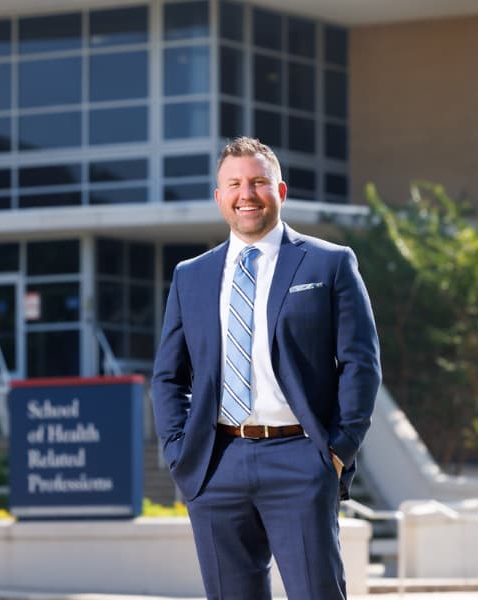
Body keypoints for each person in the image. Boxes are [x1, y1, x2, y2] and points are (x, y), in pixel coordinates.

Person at [151, 137, 381, 600]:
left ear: (281, 190)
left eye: (258, 182)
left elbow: (361, 363)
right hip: (215, 464)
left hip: (300, 456)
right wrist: (179, 451)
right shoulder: (189, 275)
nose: (246, 194)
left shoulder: (329, 263)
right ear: (219, 198)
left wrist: (336, 451)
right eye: (234, 184)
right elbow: (168, 376)